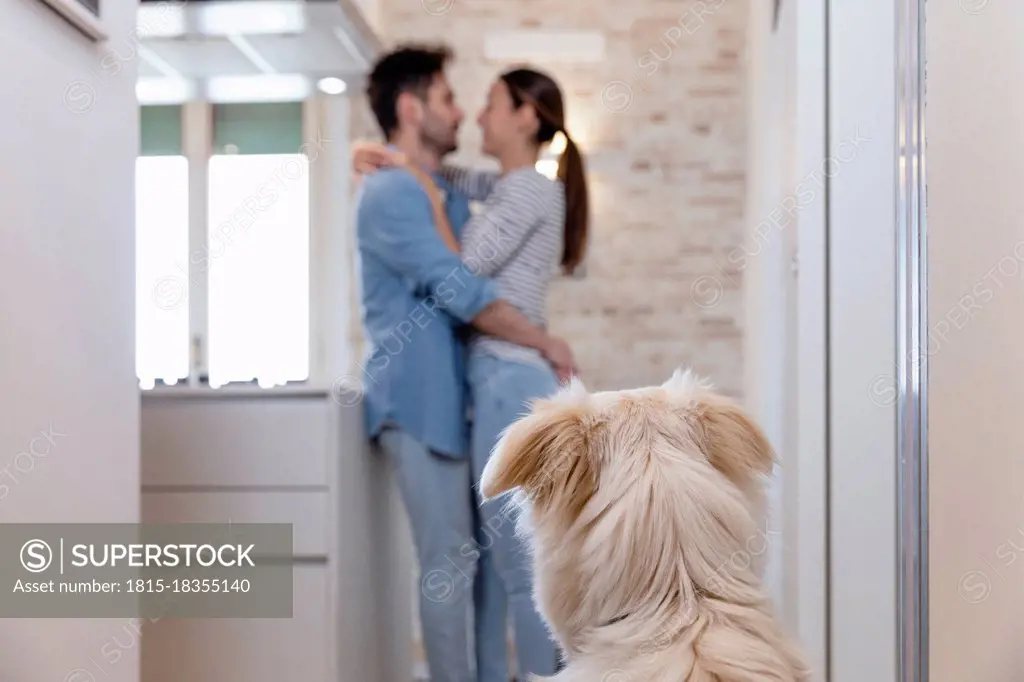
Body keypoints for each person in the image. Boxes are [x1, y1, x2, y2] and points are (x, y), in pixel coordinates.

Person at [354, 65, 589, 682]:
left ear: (525, 118)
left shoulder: (494, 191)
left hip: (490, 383)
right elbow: (461, 285)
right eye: (450, 98)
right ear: (411, 109)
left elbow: (468, 268)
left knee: (502, 565)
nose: (466, 114)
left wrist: (541, 342)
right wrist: (383, 160)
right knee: (467, 567)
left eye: (482, 103)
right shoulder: (399, 191)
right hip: (429, 398)